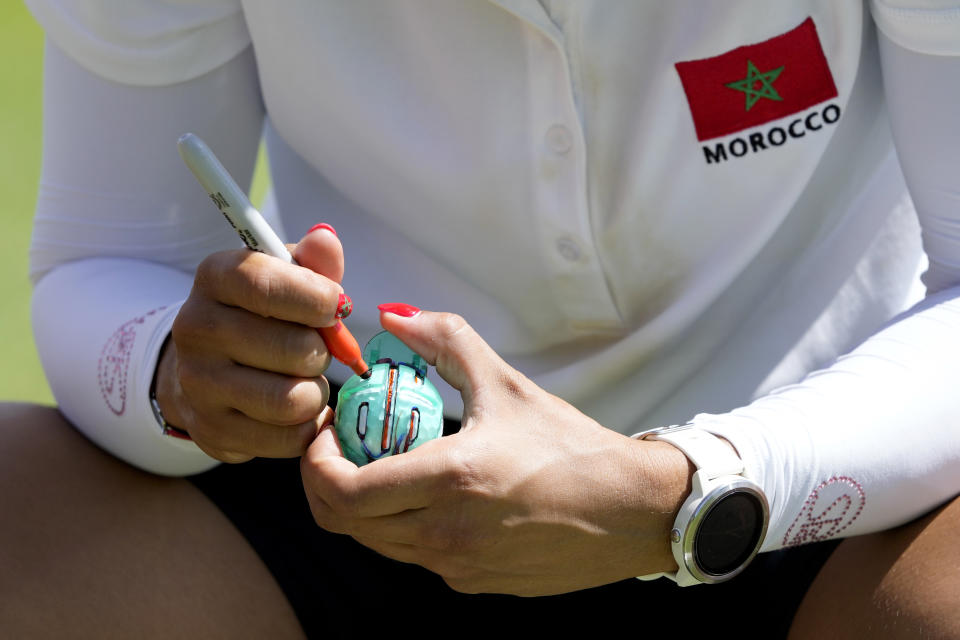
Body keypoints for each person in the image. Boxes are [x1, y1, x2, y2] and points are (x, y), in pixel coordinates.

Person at [4, 0, 959, 637]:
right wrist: (180, 372)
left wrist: (671, 493)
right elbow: (106, 258)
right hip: (362, 504)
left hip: (821, 485)